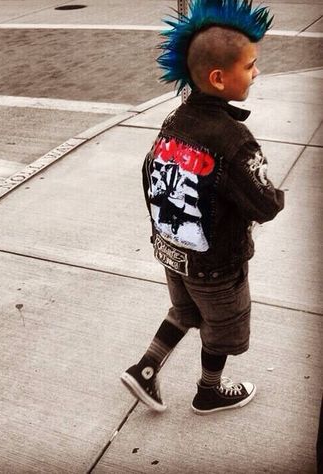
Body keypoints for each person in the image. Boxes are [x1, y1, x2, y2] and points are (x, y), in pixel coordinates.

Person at [121, 0, 285, 415]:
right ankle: (209, 390)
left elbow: (148, 172)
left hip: (173, 252)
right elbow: (265, 204)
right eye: (249, 66)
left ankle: (145, 368)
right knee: (222, 330)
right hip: (216, 264)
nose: (256, 72)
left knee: (185, 309)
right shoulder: (233, 139)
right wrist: (272, 193)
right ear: (219, 77)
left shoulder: (175, 120)